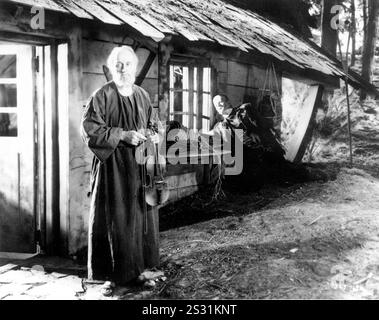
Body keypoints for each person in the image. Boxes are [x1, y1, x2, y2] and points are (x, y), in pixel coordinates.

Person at [80, 46, 160, 293]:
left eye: (127, 64)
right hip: (112, 169)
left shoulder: (142, 95)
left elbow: (153, 124)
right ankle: (110, 276)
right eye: (118, 64)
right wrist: (122, 135)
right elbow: (89, 130)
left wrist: (153, 134)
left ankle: (138, 271)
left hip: (139, 168)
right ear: (112, 67)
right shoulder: (101, 96)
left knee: (139, 219)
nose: (123, 68)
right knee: (113, 220)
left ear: (134, 67)